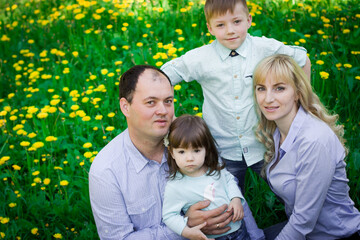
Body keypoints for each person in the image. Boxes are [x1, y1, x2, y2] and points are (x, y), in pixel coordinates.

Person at [89, 65, 263, 239]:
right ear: (125, 107)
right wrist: (184, 227)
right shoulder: (106, 171)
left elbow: (226, 183)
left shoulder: (191, 138)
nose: (163, 111)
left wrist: (256, 237)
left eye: (168, 101)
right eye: (151, 102)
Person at [161, 0, 311, 193]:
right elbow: (162, 77)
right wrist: (170, 121)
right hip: (222, 149)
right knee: (228, 201)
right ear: (210, 28)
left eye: (237, 22)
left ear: (249, 20)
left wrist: (302, 105)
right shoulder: (200, 58)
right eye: (221, 25)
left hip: (265, 144)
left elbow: (302, 60)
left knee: (289, 191)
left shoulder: (263, 48)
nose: (230, 30)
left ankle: (301, 221)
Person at [253, 54, 360, 239]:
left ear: (297, 92)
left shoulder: (313, 140)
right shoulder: (277, 130)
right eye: (261, 88)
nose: (267, 98)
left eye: (279, 88)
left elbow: (303, 222)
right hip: (304, 230)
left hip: (336, 236)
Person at [162, 115, 250, 240]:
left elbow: (229, 180)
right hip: (212, 237)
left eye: (196, 150)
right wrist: (186, 231)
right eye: (182, 152)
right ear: (172, 152)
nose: (190, 158)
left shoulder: (214, 169)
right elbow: (169, 216)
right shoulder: (175, 185)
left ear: (206, 149)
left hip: (238, 230)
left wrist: (236, 198)